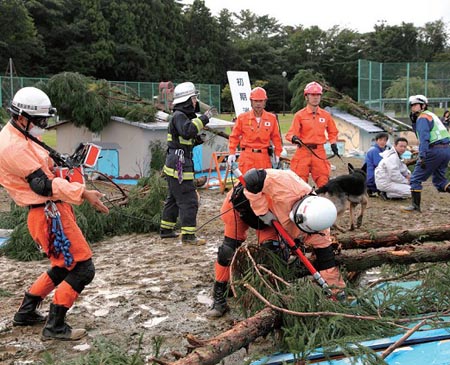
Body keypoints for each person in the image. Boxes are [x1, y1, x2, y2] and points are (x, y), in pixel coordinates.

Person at [0, 87, 109, 341]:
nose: (43, 126)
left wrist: (65, 164)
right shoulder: (13, 147)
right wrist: (82, 193)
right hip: (47, 213)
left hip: (48, 211)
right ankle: (55, 325)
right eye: (40, 122)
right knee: (83, 269)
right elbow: (43, 185)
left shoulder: (21, 135)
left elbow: (45, 166)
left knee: (62, 266)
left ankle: (26, 312)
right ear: (22, 117)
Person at [206, 168, 345, 318]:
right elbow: (252, 179)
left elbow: (327, 263)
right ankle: (219, 295)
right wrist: (263, 212)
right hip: (243, 206)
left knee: (273, 255)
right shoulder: (287, 184)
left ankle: (268, 296)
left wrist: (337, 292)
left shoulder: (320, 228)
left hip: (271, 223)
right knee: (228, 251)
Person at [160, 82, 210, 244]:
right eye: (194, 98)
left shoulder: (180, 116)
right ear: (187, 100)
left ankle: (166, 230)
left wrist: (196, 141)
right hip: (179, 164)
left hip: (174, 160)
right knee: (189, 200)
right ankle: (188, 236)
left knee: (174, 198)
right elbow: (188, 130)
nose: (195, 102)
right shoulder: (179, 116)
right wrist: (204, 118)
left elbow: (182, 139)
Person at [285, 81, 339, 188]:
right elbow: (290, 133)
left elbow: (333, 132)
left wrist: (333, 143)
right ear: (306, 97)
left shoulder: (326, 115)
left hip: (319, 152)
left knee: (324, 181)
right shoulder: (299, 115)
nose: (315, 97)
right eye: (313, 95)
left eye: (318, 95)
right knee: (299, 183)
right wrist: (294, 138)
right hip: (303, 151)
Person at [402, 95, 450, 212]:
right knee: (440, 181)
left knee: (415, 179)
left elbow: (424, 138)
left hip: (434, 151)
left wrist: (422, 156)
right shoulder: (431, 115)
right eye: (412, 105)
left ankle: (415, 206)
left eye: (415, 105)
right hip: (446, 150)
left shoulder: (422, 118)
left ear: (423, 106)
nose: (413, 107)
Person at [227, 87, 283, 174]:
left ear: (265, 102)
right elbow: (234, 136)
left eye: (261, 101)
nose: (258, 104)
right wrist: (231, 152)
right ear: (251, 102)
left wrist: (278, 153)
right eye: (255, 101)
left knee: (264, 185)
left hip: (264, 157)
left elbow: (276, 138)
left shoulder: (271, 118)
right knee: (245, 184)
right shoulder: (242, 118)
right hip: (247, 157)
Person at [364, 132, 389, 196]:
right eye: (380, 140)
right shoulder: (374, 150)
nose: (383, 142)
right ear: (376, 140)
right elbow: (379, 164)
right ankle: (371, 189)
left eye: (385, 140)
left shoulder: (381, 150)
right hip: (372, 178)